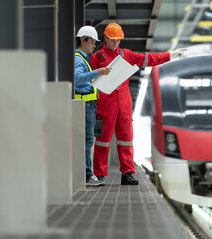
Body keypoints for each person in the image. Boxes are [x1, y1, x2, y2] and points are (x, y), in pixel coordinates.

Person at [89, 22, 186, 185]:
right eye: (112, 40)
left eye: (118, 40)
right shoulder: (96, 57)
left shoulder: (126, 54)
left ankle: (127, 173)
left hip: (124, 104)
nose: (115, 43)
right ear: (105, 38)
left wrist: (170, 55)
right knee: (103, 140)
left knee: (126, 139)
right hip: (105, 103)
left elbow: (148, 59)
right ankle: (99, 174)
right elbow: (89, 80)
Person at [75, 25, 112, 186]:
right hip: (84, 105)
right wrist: (98, 72)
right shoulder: (78, 59)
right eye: (91, 42)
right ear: (83, 40)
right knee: (87, 140)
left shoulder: (83, 59)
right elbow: (77, 78)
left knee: (87, 140)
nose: (93, 46)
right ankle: (87, 176)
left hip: (88, 105)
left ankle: (87, 175)